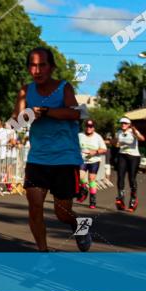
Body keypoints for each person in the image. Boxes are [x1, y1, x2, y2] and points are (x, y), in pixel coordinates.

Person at [12, 47, 91, 253]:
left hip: (64, 159)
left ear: (52, 67)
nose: (37, 70)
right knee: (35, 206)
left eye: (42, 65)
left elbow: (77, 114)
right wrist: (29, 114)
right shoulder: (25, 91)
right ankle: (43, 253)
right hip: (38, 158)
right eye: (33, 65)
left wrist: (47, 111)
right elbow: (15, 123)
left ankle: (79, 225)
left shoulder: (64, 88)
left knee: (62, 213)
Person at [115, 117, 145, 212]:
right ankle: (121, 198)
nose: (123, 124)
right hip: (122, 155)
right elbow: (115, 143)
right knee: (120, 176)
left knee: (131, 178)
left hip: (134, 156)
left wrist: (135, 131)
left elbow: (142, 139)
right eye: (122, 123)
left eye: (125, 123)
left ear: (129, 124)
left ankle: (133, 199)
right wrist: (111, 142)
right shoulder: (118, 132)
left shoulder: (133, 132)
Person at [77, 120, 107, 209]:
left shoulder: (98, 137)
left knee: (91, 179)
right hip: (82, 160)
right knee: (80, 176)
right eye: (87, 126)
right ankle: (84, 188)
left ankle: (92, 200)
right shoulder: (80, 135)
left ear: (93, 128)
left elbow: (104, 149)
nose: (89, 128)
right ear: (84, 127)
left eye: (91, 126)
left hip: (94, 160)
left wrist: (95, 152)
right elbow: (74, 146)